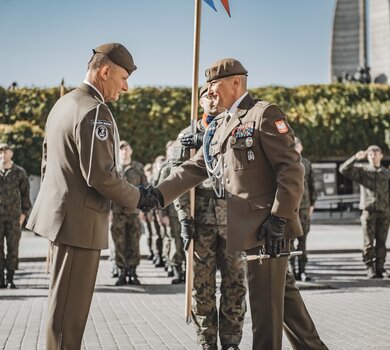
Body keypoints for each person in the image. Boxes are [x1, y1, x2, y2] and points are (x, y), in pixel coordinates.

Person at [145, 59, 328, 350]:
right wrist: (157, 193)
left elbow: (292, 170)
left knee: (265, 322)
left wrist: (279, 217)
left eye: (213, 85)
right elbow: (197, 166)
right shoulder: (223, 124)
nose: (209, 92)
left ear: (235, 83)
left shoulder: (263, 114)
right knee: (290, 313)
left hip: (268, 232)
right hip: (251, 234)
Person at [26, 43, 157, 349]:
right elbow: (101, 175)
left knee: (62, 314)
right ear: (105, 71)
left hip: (63, 220)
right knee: (68, 322)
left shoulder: (64, 103)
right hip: (80, 225)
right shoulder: (95, 110)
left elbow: (48, 163)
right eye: (123, 77)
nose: (125, 86)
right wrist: (138, 197)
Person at [171, 84, 247, 349]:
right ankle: (206, 342)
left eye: (217, 94)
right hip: (201, 224)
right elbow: (176, 181)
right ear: (200, 101)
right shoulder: (186, 136)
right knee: (201, 288)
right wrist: (184, 218)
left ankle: (231, 342)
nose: (213, 99)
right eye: (208, 95)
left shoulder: (238, 130)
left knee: (235, 286)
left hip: (234, 223)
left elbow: (248, 167)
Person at [339, 145, 390, 279]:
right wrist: (355, 157)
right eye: (370, 154)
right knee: (368, 242)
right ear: (367, 156)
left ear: (381, 156)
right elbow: (343, 169)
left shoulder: (386, 173)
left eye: (376, 153)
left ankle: (380, 268)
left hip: (384, 211)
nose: (373, 156)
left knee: (382, 242)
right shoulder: (363, 171)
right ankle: (370, 268)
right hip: (369, 211)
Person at [110, 140, 148, 286]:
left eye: (126, 149)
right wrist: (108, 211)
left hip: (134, 211)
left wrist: (144, 209)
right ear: (117, 152)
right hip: (117, 212)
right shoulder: (113, 168)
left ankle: (132, 271)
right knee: (118, 243)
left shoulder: (137, 168)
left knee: (134, 241)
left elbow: (145, 188)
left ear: (131, 151)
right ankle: (121, 271)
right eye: (121, 149)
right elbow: (107, 191)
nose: (124, 152)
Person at [0, 143, 31, 289]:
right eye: (1, 152)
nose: (3, 155)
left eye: (6, 152)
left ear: (11, 153)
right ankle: (0, 279)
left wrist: (24, 214)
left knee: (13, 248)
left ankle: (10, 278)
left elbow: (25, 194)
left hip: (13, 218)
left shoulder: (19, 172)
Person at [290, 137, 317, 281]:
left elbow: (312, 184)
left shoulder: (306, 163)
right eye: (292, 144)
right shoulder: (284, 161)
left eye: (297, 144)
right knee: (289, 240)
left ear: (301, 147)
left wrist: (313, 203)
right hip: (289, 207)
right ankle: (290, 271)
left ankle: (302, 271)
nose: (295, 146)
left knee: (302, 239)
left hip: (304, 206)